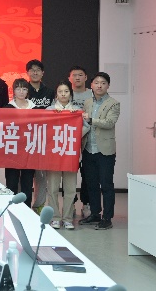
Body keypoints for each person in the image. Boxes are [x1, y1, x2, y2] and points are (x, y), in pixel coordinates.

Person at [46, 80, 90, 230]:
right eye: (60, 91)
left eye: (66, 91)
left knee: (70, 188)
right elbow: (43, 129)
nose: (63, 94)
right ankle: (55, 217)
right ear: (56, 95)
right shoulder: (49, 110)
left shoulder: (76, 110)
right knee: (52, 188)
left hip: (70, 154)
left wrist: (78, 120)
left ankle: (68, 218)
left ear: (70, 94)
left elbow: (86, 128)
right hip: (53, 154)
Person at [79, 72, 120, 230]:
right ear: (91, 85)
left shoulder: (113, 103)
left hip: (105, 151)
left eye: (103, 83)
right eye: (96, 82)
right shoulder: (88, 102)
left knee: (107, 185)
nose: (99, 85)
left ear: (108, 85)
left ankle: (107, 218)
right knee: (91, 184)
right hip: (88, 149)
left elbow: (109, 123)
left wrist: (91, 120)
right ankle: (95, 213)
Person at [26, 59, 55, 214]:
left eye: (38, 70)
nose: (35, 72)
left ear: (42, 73)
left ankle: (38, 205)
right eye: (32, 70)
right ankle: (23, 204)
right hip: (26, 137)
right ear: (28, 72)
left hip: (44, 138)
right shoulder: (23, 90)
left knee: (41, 175)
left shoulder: (50, 92)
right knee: (25, 174)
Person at [3, 78, 36, 207]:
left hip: (29, 150)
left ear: (28, 91)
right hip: (12, 150)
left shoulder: (35, 108)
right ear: (14, 91)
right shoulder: (7, 108)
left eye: (24, 89)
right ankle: (11, 209)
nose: (21, 91)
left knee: (27, 183)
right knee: (11, 183)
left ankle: (26, 209)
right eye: (18, 88)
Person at [69, 65, 93, 218]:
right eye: (74, 75)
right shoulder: (66, 92)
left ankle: (86, 204)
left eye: (80, 75)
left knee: (87, 173)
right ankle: (70, 203)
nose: (77, 78)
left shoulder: (92, 94)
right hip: (69, 139)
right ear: (69, 78)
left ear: (86, 77)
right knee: (68, 173)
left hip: (87, 138)